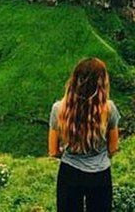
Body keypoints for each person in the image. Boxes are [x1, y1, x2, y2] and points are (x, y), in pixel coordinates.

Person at [49, 57, 121, 212]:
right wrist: (97, 155)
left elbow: (53, 150)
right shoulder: (109, 109)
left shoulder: (58, 109)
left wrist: (71, 153)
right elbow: (113, 148)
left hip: (70, 172)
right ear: (101, 82)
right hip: (100, 174)